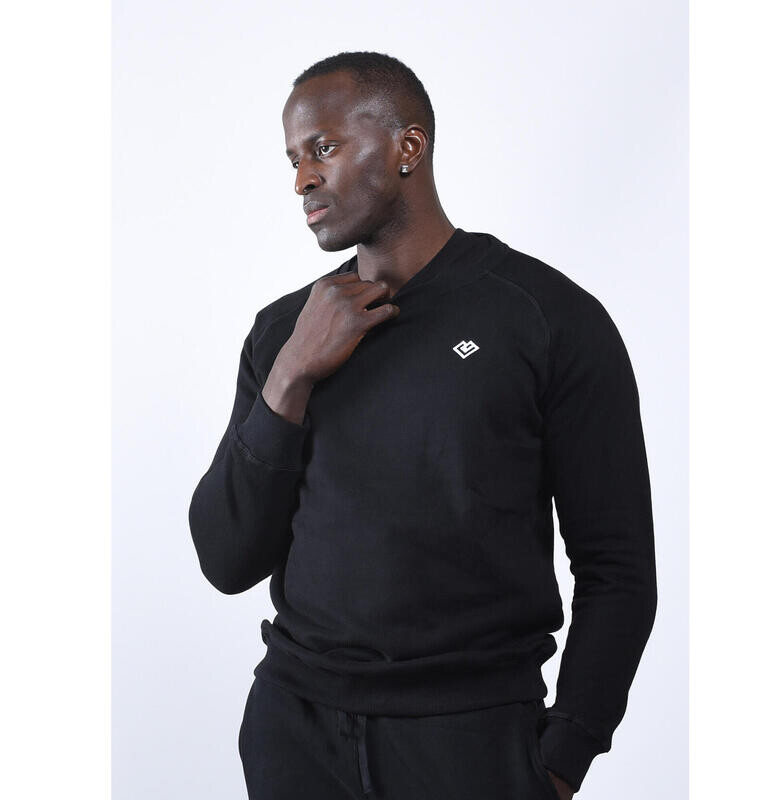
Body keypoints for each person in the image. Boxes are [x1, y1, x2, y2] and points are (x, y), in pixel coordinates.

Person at [188, 50, 657, 800]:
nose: (302, 178)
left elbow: (618, 568)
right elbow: (225, 559)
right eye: (294, 159)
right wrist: (291, 375)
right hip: (296, 736)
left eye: (323, 148)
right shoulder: (284, 332)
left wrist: (565, 754)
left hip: (472, 743)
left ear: (408, 146)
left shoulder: (547, 318)